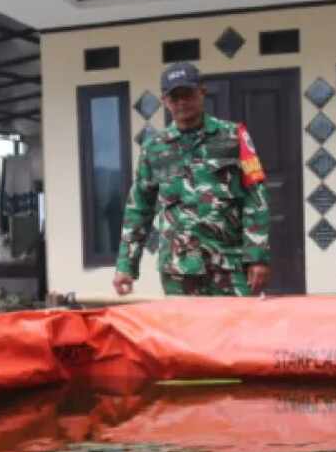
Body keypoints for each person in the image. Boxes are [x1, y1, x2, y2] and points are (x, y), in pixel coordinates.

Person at [113, 62, 271, 297]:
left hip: (229, 264)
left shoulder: (234, 136)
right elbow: (139, 209)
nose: (181, 103)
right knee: (182, 334)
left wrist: (257, 256)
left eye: (187, 94)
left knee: (234, 332)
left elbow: (255, 196)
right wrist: (126, 265)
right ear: (164, 101)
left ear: (202, 92)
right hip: (178, 270)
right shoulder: (153, 148)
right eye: (173, 98)